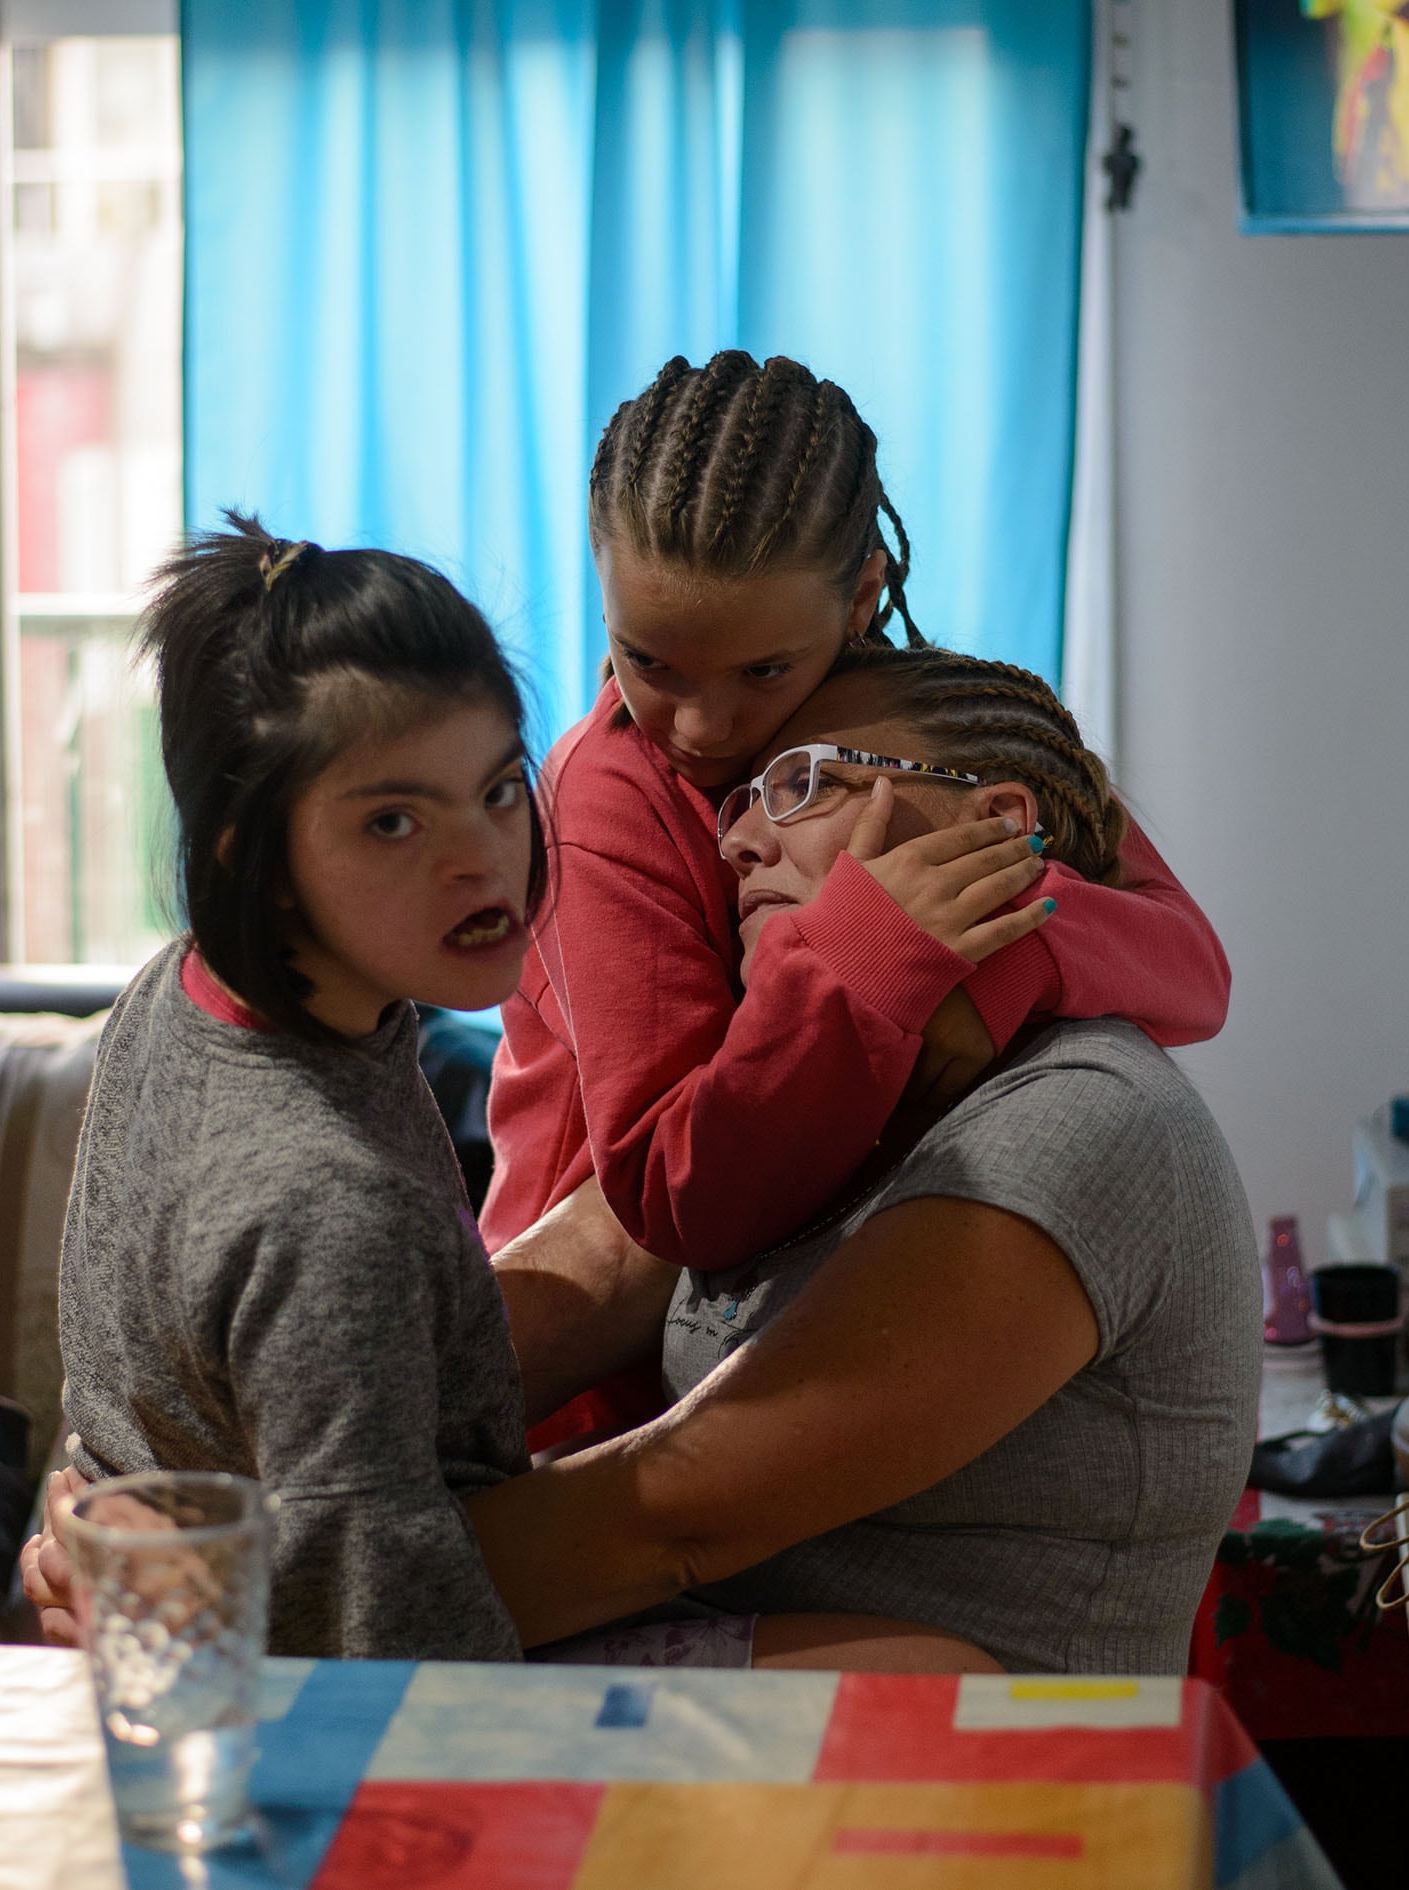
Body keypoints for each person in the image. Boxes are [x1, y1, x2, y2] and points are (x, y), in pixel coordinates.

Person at [468, 645, 1262, 1674]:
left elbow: (677, 1512)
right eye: (738, 805)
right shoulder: (825, 1082)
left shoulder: (1083, 1122)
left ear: (997, 824)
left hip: (973, 1789)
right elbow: (581, 1279)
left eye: (806, 784)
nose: (739, 842)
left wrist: (290, 1587)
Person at [485, 351, 1233, 1308]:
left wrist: (1004, 959)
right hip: (586, 1383)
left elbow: (1191, 960)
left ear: (862, 601)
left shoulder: (890, 722)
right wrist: (874, 960)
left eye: (762, 672)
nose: (704, 731)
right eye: (650, 660)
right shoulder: (606, 800)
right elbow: (665, 1198)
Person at [50, 517, 543, 1662]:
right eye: (393, 821)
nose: (482, 859)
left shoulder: (183, 987)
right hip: (308, 1695)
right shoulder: (327, 1208)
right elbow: (380, 1626)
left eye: (501, 789)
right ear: (255, 859)